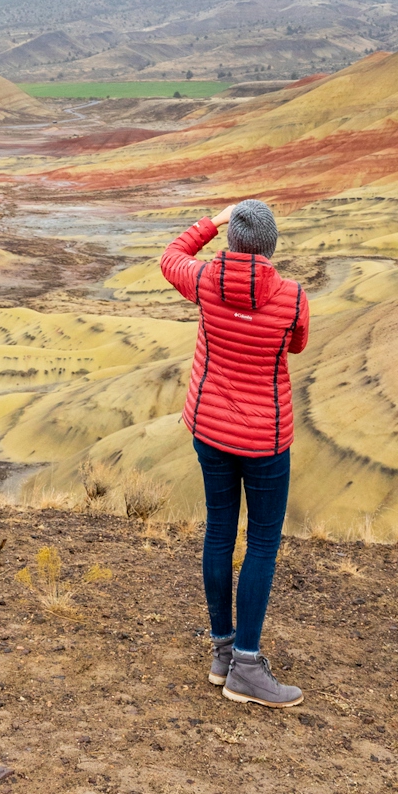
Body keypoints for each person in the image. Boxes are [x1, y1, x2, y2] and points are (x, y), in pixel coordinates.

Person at [160, 197, 310, 707]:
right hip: (266, 439)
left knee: (220, 532)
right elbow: (296, 346)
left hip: (210, 430)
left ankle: (223, 653)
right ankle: (246, 665)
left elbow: (170, 256)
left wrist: (214, 220)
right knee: (262, 544)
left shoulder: (204, 281)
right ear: (270, 247)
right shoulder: (291, 297)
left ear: (231, 240)